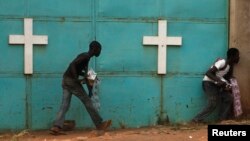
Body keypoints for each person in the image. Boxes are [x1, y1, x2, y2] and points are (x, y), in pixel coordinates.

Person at [50, 41, 112, 135]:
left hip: (66, 80)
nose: (100, 51)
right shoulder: (86, 57)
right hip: (72, 81)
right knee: (87, 102)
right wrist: (76, 79)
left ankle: (56, 126)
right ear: (95, 49)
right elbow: (72, 65)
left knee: (65, 105)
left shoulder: (84, 57)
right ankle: (99, 124)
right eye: (99, 49)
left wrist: (90, 90)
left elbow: (85, 76)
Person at [192, 48, 240, 123]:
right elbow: (208, 73)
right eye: (237, 56)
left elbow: (222, 76)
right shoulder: (222, 62)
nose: (238, 58)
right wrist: (219, 81)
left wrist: (227, 85)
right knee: (213, 102)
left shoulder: (229, 66)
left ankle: (221, 120)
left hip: (217, 85)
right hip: (208, 83)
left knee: (229, 98)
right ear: (232, 56)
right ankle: (196, 120)